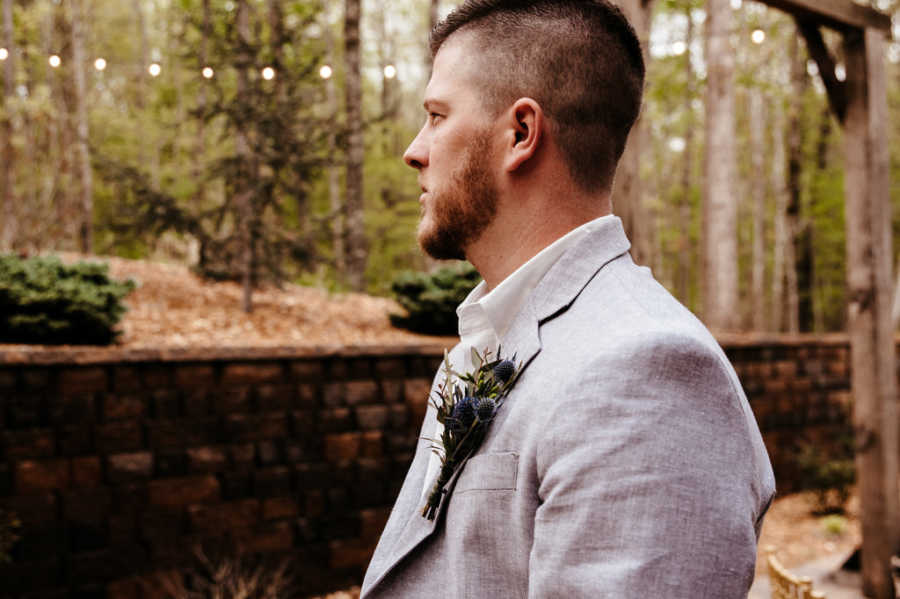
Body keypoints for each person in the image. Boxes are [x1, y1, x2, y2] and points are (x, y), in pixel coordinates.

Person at [361, 1, 775, 596]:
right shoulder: (498, 335)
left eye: (435, 115)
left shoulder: (644, 370)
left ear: (521, 134)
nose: (414, 150)